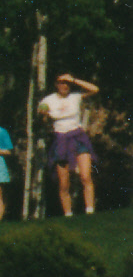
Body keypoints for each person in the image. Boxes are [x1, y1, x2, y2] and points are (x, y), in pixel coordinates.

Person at [35, 72, 101, 216]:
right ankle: (68, 214)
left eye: (67, 83)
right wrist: (43, 116)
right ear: (56, 84)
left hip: (78, 137)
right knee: (64, 182)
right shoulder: (48, 100)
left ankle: (90, 211)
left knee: (85, 176)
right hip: (61, 139)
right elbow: (42, 117)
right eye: (61, 82)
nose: (64, 85)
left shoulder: (75, 97)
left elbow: (95, 89)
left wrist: (74, 79)